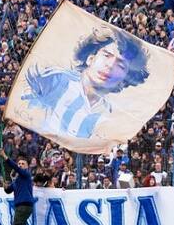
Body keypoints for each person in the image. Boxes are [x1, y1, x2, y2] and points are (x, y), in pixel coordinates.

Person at [20, 27, 150, 141]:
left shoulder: (109, 114)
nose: (110, 66)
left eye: (120, 65)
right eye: (106, 55)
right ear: (90, 58)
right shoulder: (57, 82)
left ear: (124, 79)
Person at [1, 148, 40, 225]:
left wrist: (5, 157)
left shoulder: (26, 175)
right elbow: (9, 190)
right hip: (21, 206)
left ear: (27, 166)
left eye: (23, 163)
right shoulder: (17, 180)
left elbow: (15, 168)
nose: (20, 165)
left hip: (24, 205)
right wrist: (5, 187)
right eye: (19, 163)